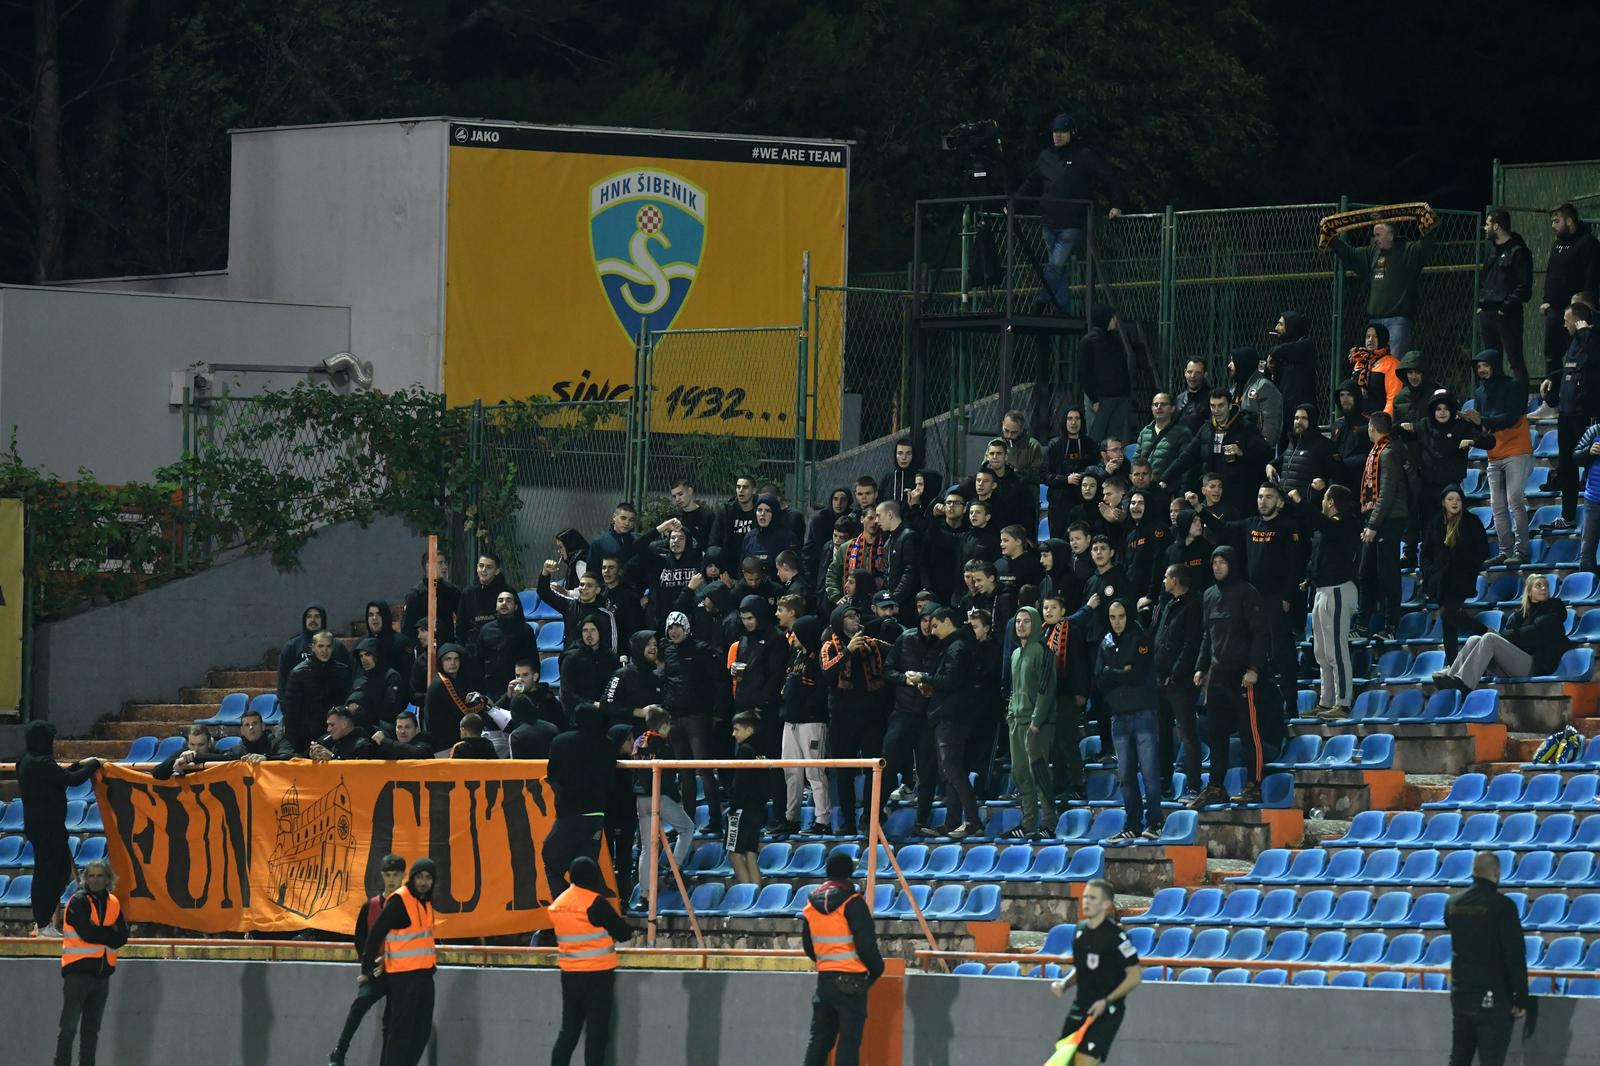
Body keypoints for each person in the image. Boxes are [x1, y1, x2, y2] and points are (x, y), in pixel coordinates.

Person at [1016, 113, 1122, 314]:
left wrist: (1116, 204)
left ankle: (1040, 302)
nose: (1058, 135)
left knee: (1055, 265)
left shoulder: (1084, 156)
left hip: (1072, 223)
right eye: (1055, 131)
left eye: (1063, 131)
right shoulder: (1046, 156)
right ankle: (1064, 309)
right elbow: (1030, 183)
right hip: (1049, 222)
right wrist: (1013, 203)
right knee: (1058, 268)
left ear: (1072, 133)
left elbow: (1109, 178)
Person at [1189, 546, 1267, 808]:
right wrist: (1200, 667)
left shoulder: (1248, 592)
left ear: (1232, 564)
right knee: (1216, 733)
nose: (1218, 567)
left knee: (1248, 732)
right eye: (1214, 563)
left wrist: (1254, 668)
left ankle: (1254, 785)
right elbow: (1206, 636)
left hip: (1242, 676)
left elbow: (1259, 633)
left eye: (1222, 562)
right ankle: (1215, 786)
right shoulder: (1209, 595)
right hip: (1218, 676)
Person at [799, 850, 885, 1066]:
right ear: (849, 872)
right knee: (848, 1042)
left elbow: (809, 947)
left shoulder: (811, 904)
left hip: (825, 980)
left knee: (819, 1040)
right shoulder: (853, 902)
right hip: (852, 980)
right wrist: (877, 970)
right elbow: (866, 945)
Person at [1444, 850, 1530, 1066]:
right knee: (1491, 1059)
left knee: (1459, 1057)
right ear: (1496, 872)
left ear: (1473, 872)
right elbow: (1515, 954)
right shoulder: (1503, 906)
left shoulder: (1453, 903)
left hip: (1461, 993)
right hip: (1494, 997)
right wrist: (1521, 997)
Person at [549, 855, 635, 1066]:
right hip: (598, 976)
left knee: (568, 1032)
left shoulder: (558, 904)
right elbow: (624, 933)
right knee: (596, 1035)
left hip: (569, 976)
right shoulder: (595, 903)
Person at [19, 721, 101, 938]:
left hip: (43, 826)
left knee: (60, 870)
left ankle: (43, 922)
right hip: (47, 828)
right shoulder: (41, 762)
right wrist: (95, 764)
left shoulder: (27, 760)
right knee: (47, 874)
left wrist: (78, 764)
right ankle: (43, 923)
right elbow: (72, 781)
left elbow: (58, 778)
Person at [1049, 878, 1141, 1066]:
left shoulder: (1116, 937)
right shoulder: (1080, 931)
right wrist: (1064, 984)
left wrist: (1106, 1001)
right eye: (1085, 897)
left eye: (1092, 898)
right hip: (1080, 1007)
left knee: (1084, 1062)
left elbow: (1135, 976)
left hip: (1105, 1011)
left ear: (1106, 904)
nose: (1086, 902)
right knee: (1065, 1061)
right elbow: (1082, 968)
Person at [328, 853, 407, 1066]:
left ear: (403, 876)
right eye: (388, 874)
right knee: (360, 1004)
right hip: (375, 972)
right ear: (382, 875)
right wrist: (369, 967)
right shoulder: (370, 905)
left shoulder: (408, 906)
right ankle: (339, 1051)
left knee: (390, 1024)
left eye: (396, 875)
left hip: (400, 973)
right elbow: (360, 939)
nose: (391, 879)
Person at [1433, 573, 1571, 693]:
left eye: (1546, 585)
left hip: (1535, 665)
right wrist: (1505, 636)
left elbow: (1532, 633)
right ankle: (1451, 679)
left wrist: (1502, 636)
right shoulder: (1520, 615)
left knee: (1490, 638)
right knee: (1474, 639)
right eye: (1538, 585)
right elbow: (1513, 635)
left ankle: (1464, 685)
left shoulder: (1552, 612)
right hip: (1513, 664)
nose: (1544, 588)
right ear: (1529, 592)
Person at [1328, 216, 1439, 359]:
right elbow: (1350, 254)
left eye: (1378, 235)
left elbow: (1427, 246)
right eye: (1374, 235)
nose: (1375, 239)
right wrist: (1332, 239)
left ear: (1391, 235)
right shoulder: (1373, 252)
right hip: (1375, 322)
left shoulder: (1408, 250)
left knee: (1393, 363)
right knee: (1373, 364)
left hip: (1397, 321)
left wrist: (1427, 226)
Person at [361, 857, 437, 1066]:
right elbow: (375, 933)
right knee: (401, 1034)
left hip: (424, 978)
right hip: (403, 980)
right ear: (412, 878)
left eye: (428, 878)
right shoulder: (400, 901)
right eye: (419, 877)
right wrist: (366, 968)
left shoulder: (426, 902)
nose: (423, 882)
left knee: (421, 1033)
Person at [1097, 600, 1162, 842]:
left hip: (1143, 712)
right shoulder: (1105, 642)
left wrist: (1112, 674)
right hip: (1118, 716)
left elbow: (1136, 675)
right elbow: (1099, 677)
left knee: (1149, 772)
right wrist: (1118, 673)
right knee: (1125, 776)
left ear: (1128, 615)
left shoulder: (1141, 639)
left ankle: (1155, 821)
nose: (1117, 622)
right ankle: (1132, 824)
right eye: (1113, 617)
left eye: (1121, 616)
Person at [1462, 349, 1534, 566]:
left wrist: (1483, 419)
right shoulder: (1480, 392)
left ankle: (1521, 551)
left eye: (1485, 365)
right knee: (1497, 506)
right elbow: (1480, 424)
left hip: (1517, 450)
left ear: (1495, 365)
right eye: (1478, 367)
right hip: (1494, 454)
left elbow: (1511, 418)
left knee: (1515, 501)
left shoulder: (1512, 386)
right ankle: (1505, 551)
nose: (1482, 370)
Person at [55, 858, 127, 1066]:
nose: (95, 880)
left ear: (108, 879)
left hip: (102, 975)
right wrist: (108, 933)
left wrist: (102, 933)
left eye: (100, 876)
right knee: (68, 1028)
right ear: (86, 878)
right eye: (91, 876)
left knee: (91, 1031)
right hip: (77, 973)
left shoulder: (113, 902)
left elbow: (122, 936)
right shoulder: (78, 901)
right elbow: (88, 934)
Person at [544, 703, 617, 895]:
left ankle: (568, 911)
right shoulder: (608, 744)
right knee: (586, 871)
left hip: (569, 813)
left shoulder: (561, 741)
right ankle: (587, 918)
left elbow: (552, 775)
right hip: (597, 815)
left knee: (551, 860)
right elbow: (611, 781)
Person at [1540, 300, 1600, 533]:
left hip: (1585, 414)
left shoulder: (1592, 340)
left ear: (1578, 320)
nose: (1564, 325)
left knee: (1589, 464)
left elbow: (1592, 361)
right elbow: (1569, 368)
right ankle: (1568, 516)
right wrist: (1552, 378)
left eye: (1567, 321)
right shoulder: (1574, 342)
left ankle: (1593, 518)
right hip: (1566, 413)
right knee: (1567, 465)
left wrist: (1586, 333)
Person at [1305, 485, 1362, 718]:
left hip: (1338, 590)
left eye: (1324, 498)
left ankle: (1343, 702)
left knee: (1337, 650)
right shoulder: (1323, 530)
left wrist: (1300, 503)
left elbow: (1327, 527)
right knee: (1321, 651)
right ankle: (1326, 700)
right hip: (1322, 590)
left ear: (1330, 502)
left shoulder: (1345, 522)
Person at [1538, 204, 1600, 417]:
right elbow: (1552, 273)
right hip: (1556, 310)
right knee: (1551, 355)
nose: (1553, 225)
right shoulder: (1558, 244)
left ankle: (1581, 402)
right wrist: (1547, 299)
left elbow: (1592, 277)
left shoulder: (1588, 244)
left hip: (1575, 311)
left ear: (1570, 221)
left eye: (1557, 221)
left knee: (1579, 356)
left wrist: (1583, 306)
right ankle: (1550, 404)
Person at [1421, 486, 1492, 663]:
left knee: (1447, 615)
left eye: (1458, 499)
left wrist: (1471, 566)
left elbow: (1482, 550)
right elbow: (1426, 552)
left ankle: (1484, 630)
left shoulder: (1472, 522)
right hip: (1439, 580)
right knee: (1448, 624)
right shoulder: (1435, 522)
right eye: (1450, 499)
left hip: (1462, 577)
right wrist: (1429, 573)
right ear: (1443, 502)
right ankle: (1452, 663)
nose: (1455, 502)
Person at [1356, 410, 1410, 642]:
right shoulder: (1379, 451)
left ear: (1372, 428)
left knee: (1388, 573)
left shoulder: (1387, 453)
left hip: (1389, 520)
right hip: (1376, 519)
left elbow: (1386, 493)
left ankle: (1390, 626)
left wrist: (1374, 524)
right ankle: (1362, 624)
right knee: (1366, 570)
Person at [630, 707, 695, 895]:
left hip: (640, 797)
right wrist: (677, 799)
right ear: (665, 724)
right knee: (687, 828)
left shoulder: (638, 741)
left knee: (647, 848)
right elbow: (667, 777)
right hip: (659, 795)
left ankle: (644, 894)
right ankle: (675, 870)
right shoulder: (663, 745)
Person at [1004, 606, 1057, 838]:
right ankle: (1028, 823)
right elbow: (1014, 688)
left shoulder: (1043, 652)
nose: (1021, 625)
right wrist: (1010, 714)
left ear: (1034, 624)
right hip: (1017, 721)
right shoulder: (1015, 653)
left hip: (1037, 725)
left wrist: (1037, 721)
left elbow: (1046, 689)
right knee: (1020, 774)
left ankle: (1048, 823)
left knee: (1038, 773)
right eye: (1018, 621)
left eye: (1026, 621)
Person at [1152, 564, 1204, 800]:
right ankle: (1163, 783)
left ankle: (1194, 785)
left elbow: (1191, 643)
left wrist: (1176, 672)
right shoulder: (1166, 604)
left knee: (1187, 734)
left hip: (1180, 682)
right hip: (1160, 680)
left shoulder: (1193, 605)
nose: (1163, 581)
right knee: (1162, 734)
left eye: (1165, 577)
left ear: (1175, 579)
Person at [780, 612, 832, 834]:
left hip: (812, 721)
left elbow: (820, 693)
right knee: (791, 771)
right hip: (790, 720)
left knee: (814, 772)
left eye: (797, 633)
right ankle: (791, 818)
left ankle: (823, 821)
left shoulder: (819, 658)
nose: (793, 636)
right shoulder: (795, 655)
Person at [1477, 208, 1534, 395]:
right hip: (1487, 312)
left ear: (1497, 226)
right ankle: (1493, 399)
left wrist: (1505, 307)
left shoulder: (1518, 251)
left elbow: (1524, 287)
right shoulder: (1492, 251)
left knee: (1514, 359)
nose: (1484, 228)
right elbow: (1486, 280)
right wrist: (1481, 306)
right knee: (1491, 360)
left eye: (1487, 223)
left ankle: (1520, 404)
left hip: (1507, 313)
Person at [283, 630, 355, 754]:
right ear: (313, 647)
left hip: (337, 737)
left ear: (333, 648)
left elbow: (346, 705)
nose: (324, 651)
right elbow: (291, 713)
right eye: (320, 646)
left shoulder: (342, 671)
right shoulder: (298, 673)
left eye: (328, 646)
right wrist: (293, 746)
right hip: (306, 738)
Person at [276, 602, 352, 701]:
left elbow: (348, 677)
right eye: (309, 616)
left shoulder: (337, 646)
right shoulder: (291, 646)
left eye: (317, 616)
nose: (313, 620)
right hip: (300, 708)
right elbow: (282, 681)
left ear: (323, 619)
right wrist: (285, 707)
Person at [725, 711, 766, 885]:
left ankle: (746, 898)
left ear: (749, 729)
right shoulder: (762, 748)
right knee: (750, 854)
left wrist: (734, 807)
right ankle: (756, 898)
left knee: (735, 853)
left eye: (736, 730)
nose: (733, 734)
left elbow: (741, 782)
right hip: (758, 809)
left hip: (742, 810)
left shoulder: (745, 750)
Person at [1081, 306, 1132, 442]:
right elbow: (1085, 372)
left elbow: (1122, 368)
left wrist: (1126, 393)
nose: (1115, 320)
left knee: (1113, 439)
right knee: (1096, 438)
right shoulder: (1089, 341)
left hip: (1119, 397)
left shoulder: (1115, 340)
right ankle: (1095, 463)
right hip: (1101, 398)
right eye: (1112, 317)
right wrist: (1093, 399)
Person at [421, 643, 482, 750]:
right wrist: (483, 702)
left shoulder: (454, 679)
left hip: (448, 741)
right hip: (444, 745)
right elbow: (465, 712)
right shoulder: (443, 682)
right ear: (441, 661)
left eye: (456, 659)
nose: (452, 663)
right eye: (448, 659)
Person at [1135, 392, 1192, 492]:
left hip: (1166, 489)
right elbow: (1136, 461)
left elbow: (1185, 465)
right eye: (1155, 404)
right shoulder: (1145, 432)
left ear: (1172, 408)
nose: (1159, 407)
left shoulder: (1182, 433)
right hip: (1143, 489)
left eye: (1163, 404)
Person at [403, 552, 461, 648]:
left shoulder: (452, 591)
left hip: (447, 647)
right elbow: (407, 627)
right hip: (423, 647)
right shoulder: (415, 594)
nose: (445, 566)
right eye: (440, 563)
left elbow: (462, 619)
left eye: (445, 563)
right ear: (428, 565)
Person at [1266, 310, 1317, 419]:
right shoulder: (1285, 352)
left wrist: (1272, 353)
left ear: (1291, 327)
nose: (1276, 328)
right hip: (1283, 411)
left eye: (1280, 324)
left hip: (1300, 413)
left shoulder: (1306, 346)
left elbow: (1280, 350)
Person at [349, 636, 407, 731]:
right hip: (361, 725)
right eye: (361, 656)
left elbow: (391, 709)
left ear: (377, 654)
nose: (364, 659)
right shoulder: (359, 680)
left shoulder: (392, 676)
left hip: (386, 726)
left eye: (367, 654)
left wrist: (363, 709)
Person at [1229, 345, 1282, 446]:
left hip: (1255, 450)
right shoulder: (1235, 389)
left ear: (1242, 363)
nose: (1229, 365)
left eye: (1233, 361)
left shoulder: (1264, 387)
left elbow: (1271, 423)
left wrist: (1263, 448)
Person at [458, 552, 513, 647]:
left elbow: (516, 620)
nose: (483, 570)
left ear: (497, 571)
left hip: (500, 644)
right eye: (481, 566)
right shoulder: (467, 593)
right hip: (473, 645)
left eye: (489, 567)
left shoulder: (507, 592)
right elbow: (461, 624)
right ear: (477, 567)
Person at [1573, 417, 1600, 574]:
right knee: (1587, 552)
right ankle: (1588, 583)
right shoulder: (1594, 430)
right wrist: (1588, 451)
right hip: (1593, 499)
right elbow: (1575, 456)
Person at [151, 724, 224, 779]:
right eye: (192, 744)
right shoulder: (184, 753)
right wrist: (173, 766)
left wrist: (196, 757)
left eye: (201, 745)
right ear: (188, 744)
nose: (195, 749)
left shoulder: (216, 753)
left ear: (209, 744)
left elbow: (232, 757)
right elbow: (156, 773)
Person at [311, 706, 378, 761]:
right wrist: (313, 754)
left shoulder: (362, 746)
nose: (328, 729)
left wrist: (332, 758)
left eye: (332, 725)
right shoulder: (327, 741)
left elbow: (357, 773)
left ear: (344, 724)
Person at [1000, 409, 1047, 484]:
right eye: (1006, 430)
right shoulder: (996, 444)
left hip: (1026, 491)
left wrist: (1017, 472)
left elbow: (1040, 474)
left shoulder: (1033, 445)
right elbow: (985, 468)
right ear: (1002, 424)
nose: (1009, 435)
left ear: (1021, 429)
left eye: (1014, 432)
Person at [1173, 358, 1212, 433]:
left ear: (1205, 374)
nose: (1193, 376)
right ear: (1185, 373)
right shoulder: (1179, 399)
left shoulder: (1212, 399)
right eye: (1189, 372)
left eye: (1198, 373)